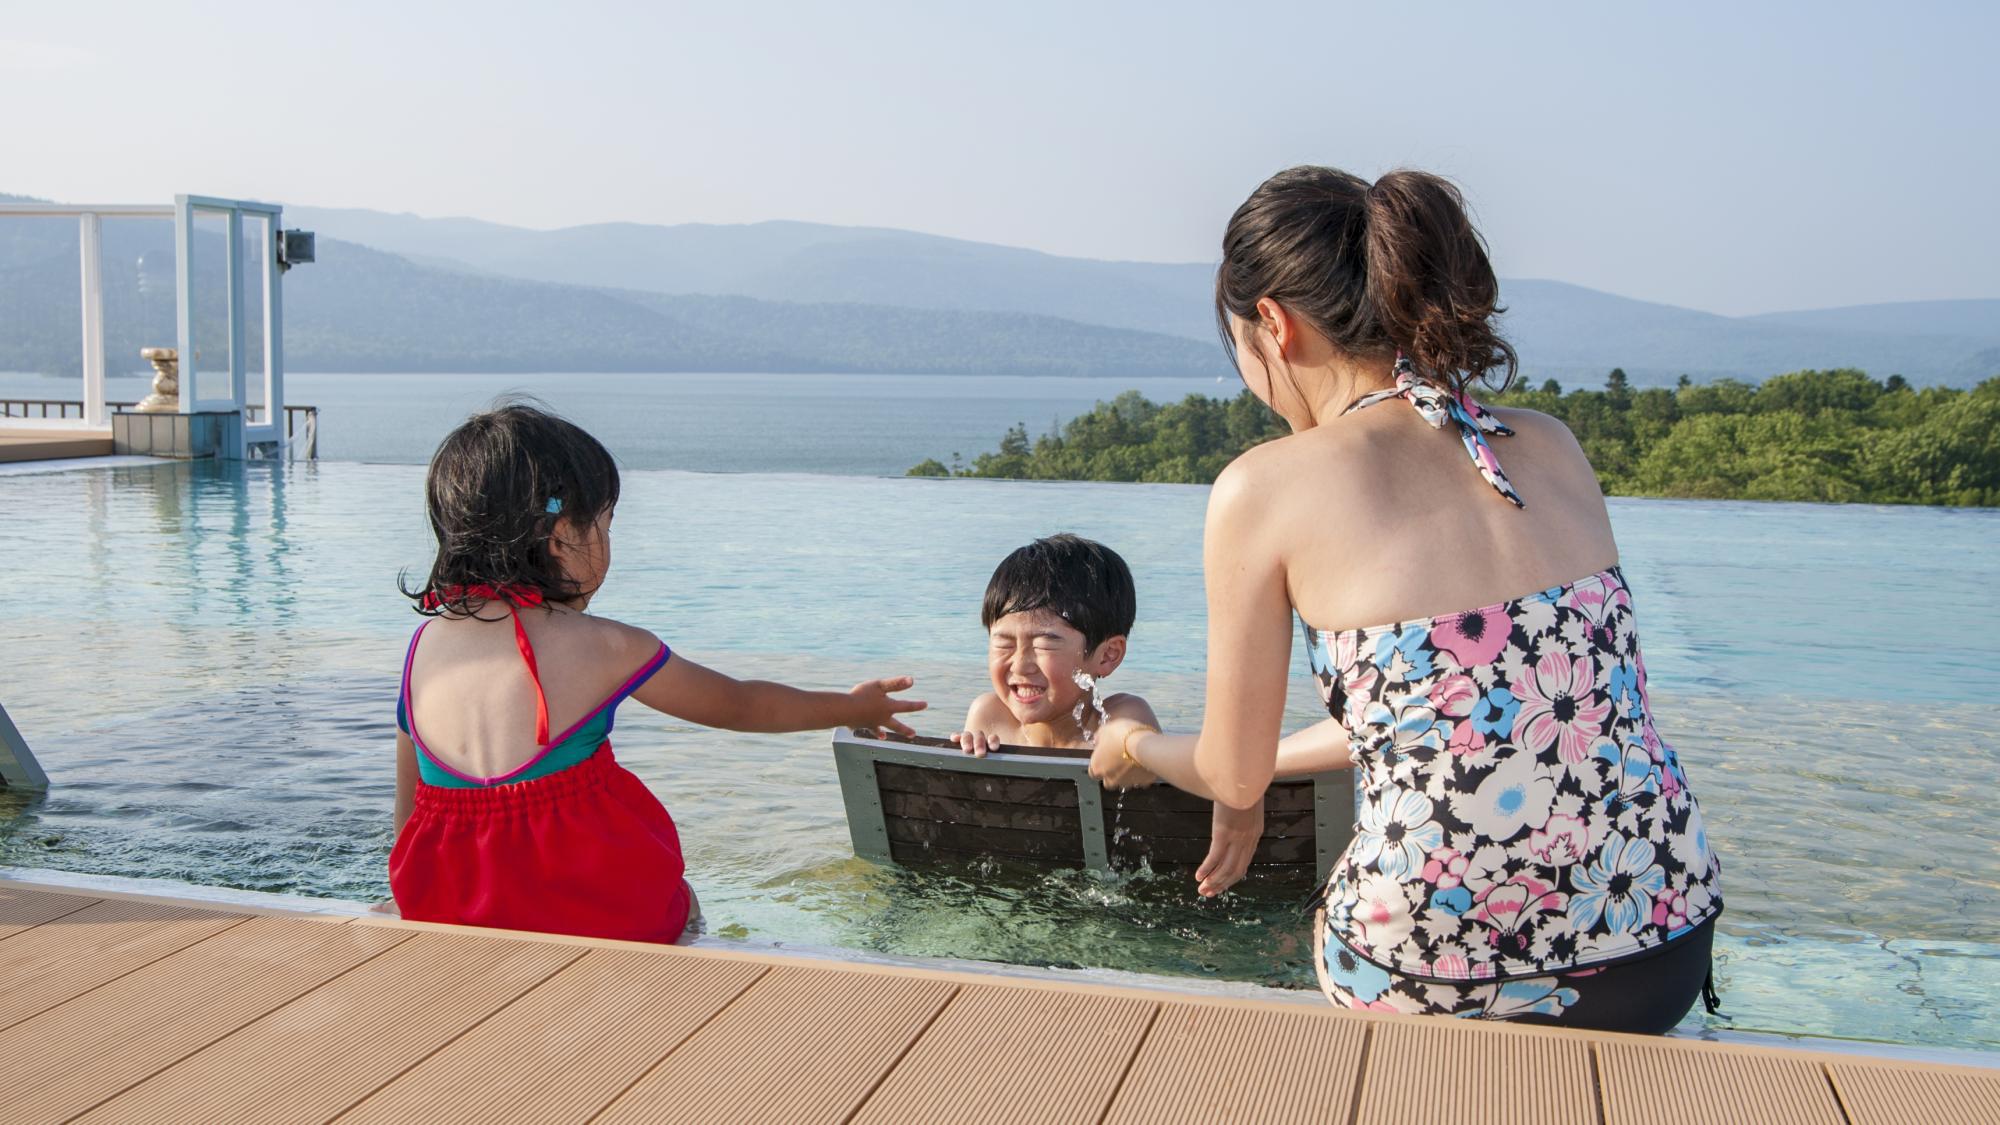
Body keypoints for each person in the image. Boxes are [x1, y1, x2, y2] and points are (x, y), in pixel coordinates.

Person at [1089, 167, 1722, 1032]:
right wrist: (1263, 757)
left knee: (1310, 939)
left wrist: (1131, 739)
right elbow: (1449, 710)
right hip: (1663, 936)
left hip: (1446, 973)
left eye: (1240, 344)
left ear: (1273, 322)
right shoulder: (1546, 442)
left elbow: (1230, 773)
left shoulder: (1262, 488)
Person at [390, 403, 924, 944]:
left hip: (450, 910)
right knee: (684, 905)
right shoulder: (610, 646)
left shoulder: (422, 649)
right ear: (559, 536)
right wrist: (856, 707)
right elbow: (741, 705)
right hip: (600, 910)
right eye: (604, 524)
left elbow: (409, 812)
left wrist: (413, 904)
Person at [950, 534, 1160, 756]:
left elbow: (1142, 753)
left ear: (1108, 655)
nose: (1020, 666)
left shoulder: (1121, 718)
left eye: (1044, 645)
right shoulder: (990, 716)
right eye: (1004, 644)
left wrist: (1130, 747)